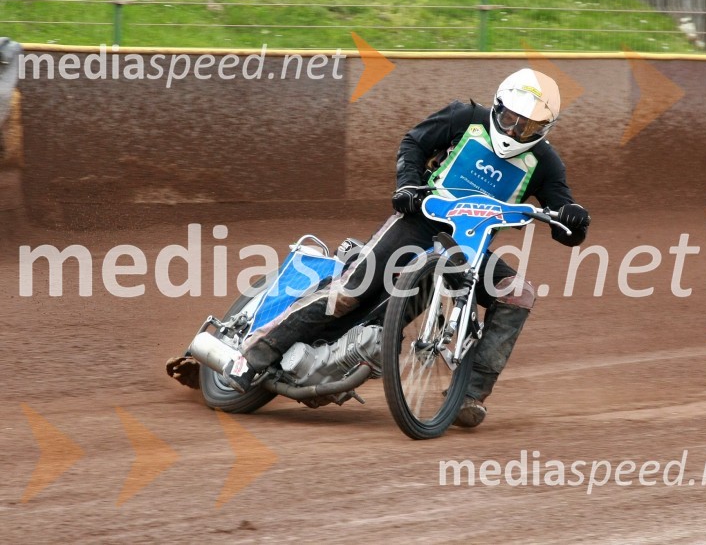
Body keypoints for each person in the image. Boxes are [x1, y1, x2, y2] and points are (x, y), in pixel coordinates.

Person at [224, 68, 590, 428]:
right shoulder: (465, 117)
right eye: (510, 119)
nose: (514, 131)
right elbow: (414, 142)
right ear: (497, 107)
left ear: (544, 129)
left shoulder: (545, 163)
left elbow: (564, 220)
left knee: (517, 294)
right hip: (418, 221)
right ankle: (256, 353)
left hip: (468, 250)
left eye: (527, 127)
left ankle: (470, 395)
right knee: (352, 290)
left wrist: (575, 219)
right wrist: (408, 186)